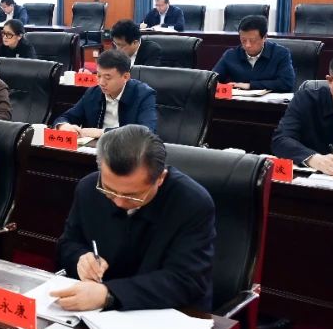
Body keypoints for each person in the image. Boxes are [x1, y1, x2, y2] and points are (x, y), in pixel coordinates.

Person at [53, 125, 216, 312]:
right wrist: (81, 259)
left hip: (168, 313)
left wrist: (109, 294)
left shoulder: (192, 203)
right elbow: (68, 243)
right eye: (109, 191)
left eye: (132, 195)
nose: (119, 202)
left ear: (160, 178)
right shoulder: (88, 188)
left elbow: (186, 281)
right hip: (98, 310)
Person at [53, 50, 157, 137]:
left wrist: (101, 132)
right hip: (93, 150)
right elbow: (66, 117)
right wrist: (63, 126)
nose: (101, 82)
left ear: (125, 77)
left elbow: (146, 132)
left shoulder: (144, 95)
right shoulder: (93, 92)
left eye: (108, 77)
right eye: (98, 76)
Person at [211, 15, 295, 92]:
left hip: (269, 103)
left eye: (253, 41)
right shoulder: (231, 55)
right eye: (243, 40)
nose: (247, 45)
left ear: (264, 37)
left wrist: (250, 85)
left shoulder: (280, 54)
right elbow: (211, 80)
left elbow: (287, 83)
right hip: (239, 102)